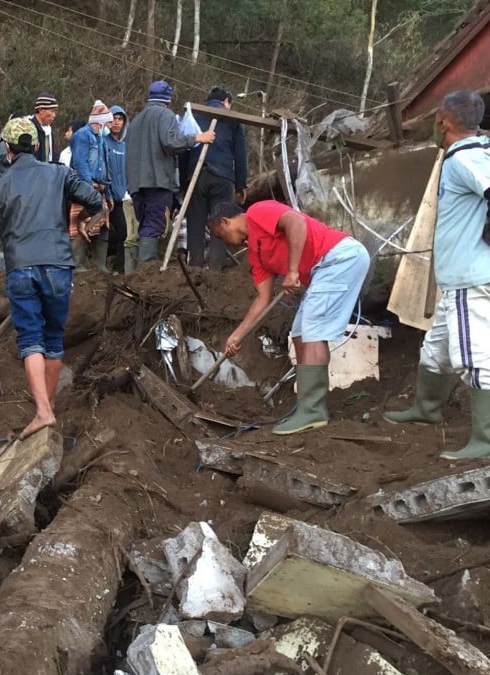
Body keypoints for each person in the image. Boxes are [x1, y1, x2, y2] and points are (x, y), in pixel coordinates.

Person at [384, 90, 490, 460]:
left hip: (469, 277)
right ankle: (426, 410)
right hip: (459, 280)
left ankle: (486, 440)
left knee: (473, 356)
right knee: (436, 351)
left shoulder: (465, 158)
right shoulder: (477, 154)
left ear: (443, 121)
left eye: (436, 120)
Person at [209, 200, 369, 435]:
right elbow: (262, 299)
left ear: (225, 221)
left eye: (220, 235)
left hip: (338, 258)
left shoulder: (257, 212)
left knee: (313, 330)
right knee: (301, 333)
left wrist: (293, 270)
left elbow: (296, 221)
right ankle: (307, 407)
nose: (224, 242)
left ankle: (313, 411)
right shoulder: (257, 255)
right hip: (323, 269)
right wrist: (237, 335)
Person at [0, 117, 103, 439]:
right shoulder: (59, 173)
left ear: (7, 149)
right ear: (36, 146)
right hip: (57, 264)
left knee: (30, 340)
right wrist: (81, 220)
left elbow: (0, 234)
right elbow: (94, 200)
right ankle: (47, 408)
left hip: (21, 266)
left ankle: (43, 412)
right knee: (53, 338)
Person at [126, 80, 215, 264]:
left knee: (143, 226)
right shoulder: (165, 115)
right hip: (157, 182)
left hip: (136, 184)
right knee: (154, 225)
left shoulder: (135, 121)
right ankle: (146, 269)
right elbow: (171, 142)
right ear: (168, 99)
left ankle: (139, 270)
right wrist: (197, 137)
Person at [180, 87, 248, 270]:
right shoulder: (233, 121)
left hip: (197, 174)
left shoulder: (194, 115)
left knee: (195, 223)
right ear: (226, 101)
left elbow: (183, 149)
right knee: (221, 222)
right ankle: (215, 270)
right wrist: (242, 184)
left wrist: (183, 182)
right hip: (222, 176)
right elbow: (240, 154)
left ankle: (194, 267)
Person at [69, 100, 113, 272]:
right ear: (100, 121)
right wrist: (88, 186)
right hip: (84, 188)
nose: (111, 125)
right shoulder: (82, 136)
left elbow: (104, 165)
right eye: (108, 122)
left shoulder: (100, 138)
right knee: (80, 223)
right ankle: (77, 265)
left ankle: (100, 265)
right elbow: (80, 163)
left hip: (99, 187)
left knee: (101, 224)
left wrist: (107, 192)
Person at [106, 106, 130, 273]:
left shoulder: (126, 145)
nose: (116, 122)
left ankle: (119, 267)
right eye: (114, 118)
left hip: (124, 196)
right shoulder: (103, 142)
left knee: (124, 231)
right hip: (107, 196)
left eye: (120, 119)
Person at [28, 92, 59, 163]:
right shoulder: (29, 128)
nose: (54, 115)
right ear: (41, 110)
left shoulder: (49, 130)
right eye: (52, 111)